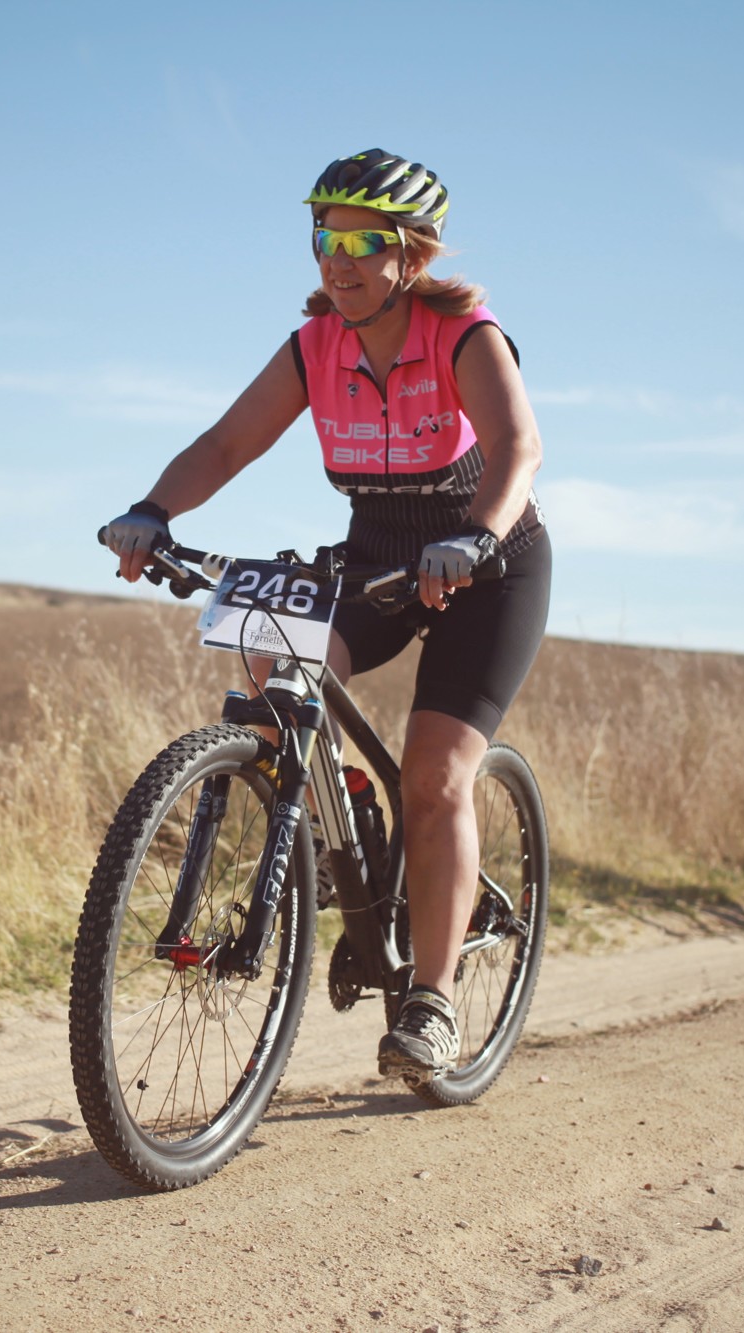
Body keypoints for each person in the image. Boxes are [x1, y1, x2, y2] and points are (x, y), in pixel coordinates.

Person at [102, 149, 549, 1087]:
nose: (337, 260)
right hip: (379, 552)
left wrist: (473, 538)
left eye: (361, 242)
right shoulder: (316, 345)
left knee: (434, 774)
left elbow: (518, 445)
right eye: (324, 238)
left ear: (410, 255)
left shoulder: (464, 331)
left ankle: (428, 1001)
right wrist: (154, 510)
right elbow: (228, 442)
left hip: (487, 559)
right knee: (267, 660)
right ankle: (348, 830)